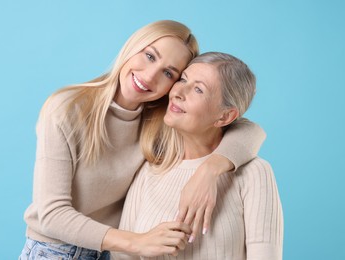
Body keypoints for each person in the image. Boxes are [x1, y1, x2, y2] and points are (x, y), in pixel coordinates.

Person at [19, 20, 266, 260]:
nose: (149, 76)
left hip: (112, 253)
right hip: (55, 251)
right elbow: (51, 214)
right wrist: (138, 242)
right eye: (150, 56)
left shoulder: (160, 122)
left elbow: (249, 130)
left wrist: (209, 171)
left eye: (169, 73)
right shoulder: (68, 109)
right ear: (134, 46)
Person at [113, 52, 283, 260]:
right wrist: (147, 244)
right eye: (183, 79)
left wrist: (208, 170)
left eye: (198, 89)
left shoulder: (254, 174)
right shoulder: (151, 170)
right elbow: (120, 256)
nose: (178, 92)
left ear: (225, 116)